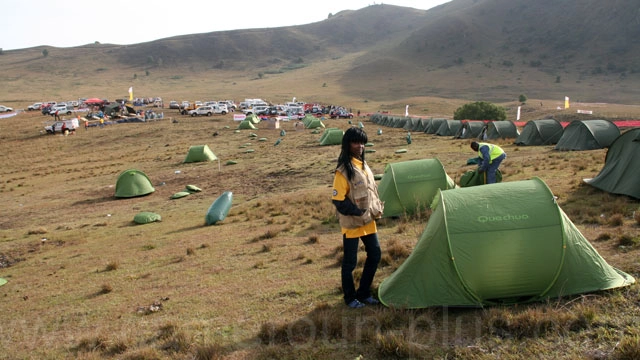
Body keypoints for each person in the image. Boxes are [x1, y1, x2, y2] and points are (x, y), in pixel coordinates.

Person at [331, 127, 384, 308]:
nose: (360, 146)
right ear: (347, 144)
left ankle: (364, 293)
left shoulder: (363, 165)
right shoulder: (343, 171)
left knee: (375, 255)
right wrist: (357, 212)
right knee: (350, 262)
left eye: (362, 142)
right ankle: (350, 298)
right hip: (353, 223)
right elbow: (338, 200)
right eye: (355, 142)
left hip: (368, 221)